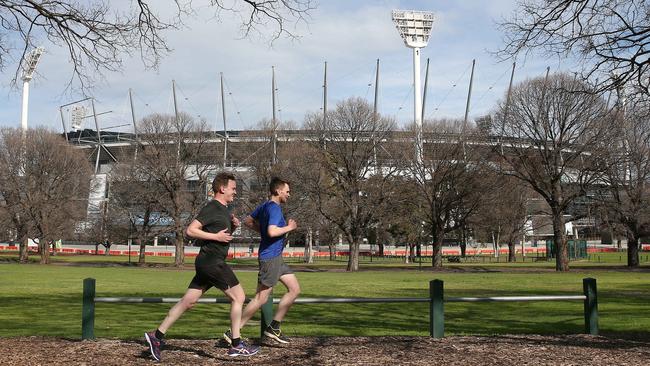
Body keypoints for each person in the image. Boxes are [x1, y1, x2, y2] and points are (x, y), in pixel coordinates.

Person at [144, 172, 259, 361]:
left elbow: (221, 234)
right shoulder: (212, 207)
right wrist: (216, 237)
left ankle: (156, 336)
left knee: (187, 302)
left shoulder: (224, 210)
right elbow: (191, 230)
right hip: (212, 263)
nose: (235, 192)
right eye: (233, 188)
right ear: (222, 188)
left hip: (208, 263)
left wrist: (234, 227)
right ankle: (236, 344)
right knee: (239, 297)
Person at [223, 177, 300, 345]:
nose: (289, 194)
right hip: (270, 258)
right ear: (278, 191)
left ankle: (274, 327)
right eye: (287, 191)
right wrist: (289, 228)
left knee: (294, 289)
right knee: (260, 298)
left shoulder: (264, 206)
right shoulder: (274, 209)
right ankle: (233, 331)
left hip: (276, 258)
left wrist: (263, 231)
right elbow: (272, 232)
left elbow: (248, 221)